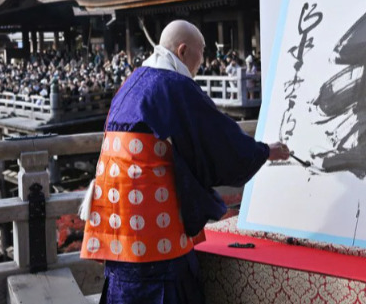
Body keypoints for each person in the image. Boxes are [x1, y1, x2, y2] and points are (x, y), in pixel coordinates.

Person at [79, 20, 289, 304]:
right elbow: (218, 139)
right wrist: (263, 152)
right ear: (182, 51)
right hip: (152, 225)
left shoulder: (133, 81)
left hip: (117, 218)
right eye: (201, 54)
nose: (200, 64)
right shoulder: (173, 85)